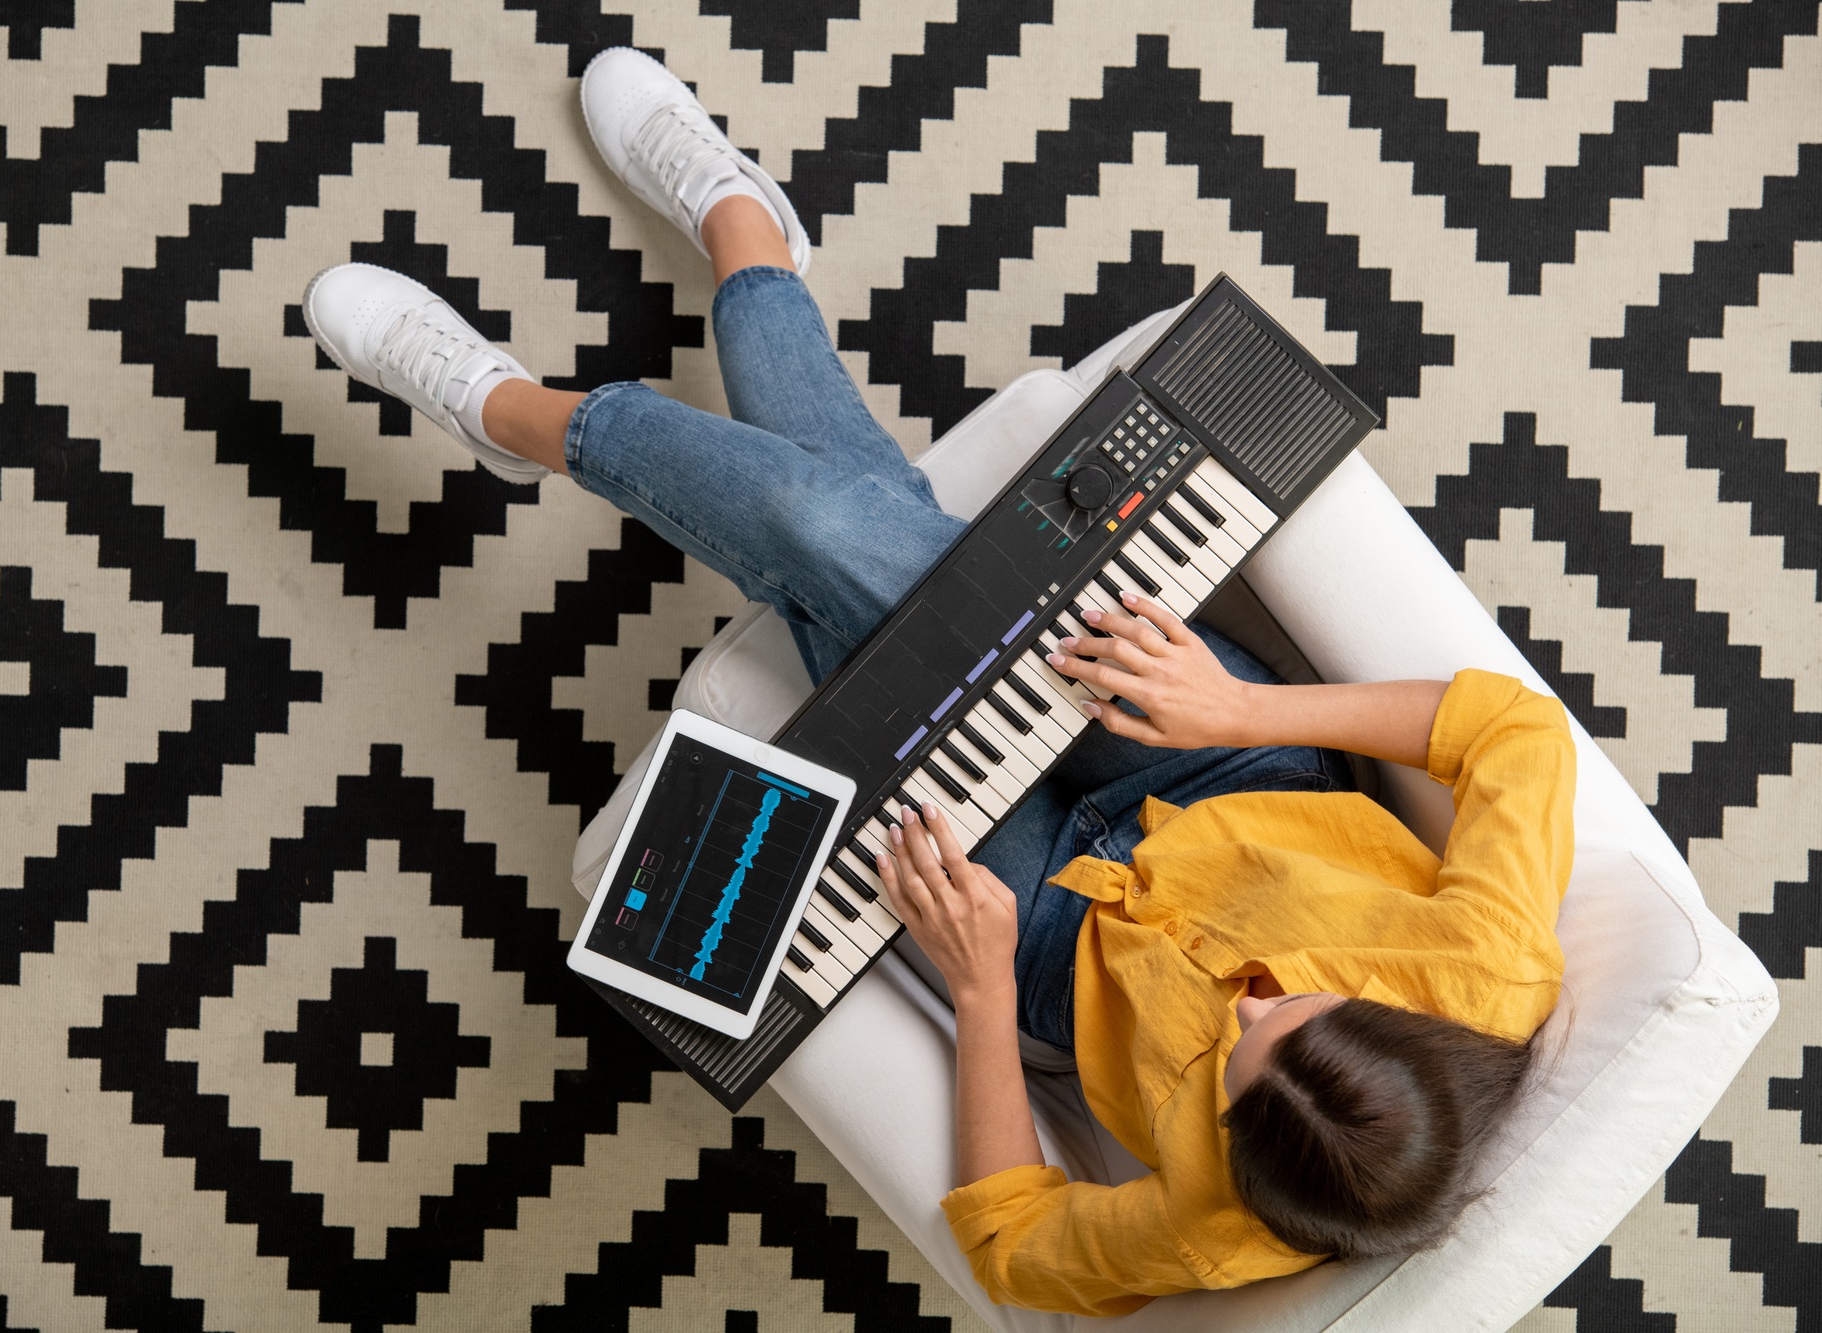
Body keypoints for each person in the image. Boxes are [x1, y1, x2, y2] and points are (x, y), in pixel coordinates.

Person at [301, 47, 1577, 1317]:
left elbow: (1015, 1246)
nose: (1245, 1013)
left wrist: (975, 987)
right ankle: (532, 403)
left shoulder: (1223, 1227)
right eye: (1295, 1007)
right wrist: (1238, 708)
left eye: (1230, 1073)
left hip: (1033, 932)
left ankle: (733, 254)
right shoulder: (1488, 976)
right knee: (825, 531)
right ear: (1404, 1026)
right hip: (1210, 757)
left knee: (832, 553)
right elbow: (1513, 734)